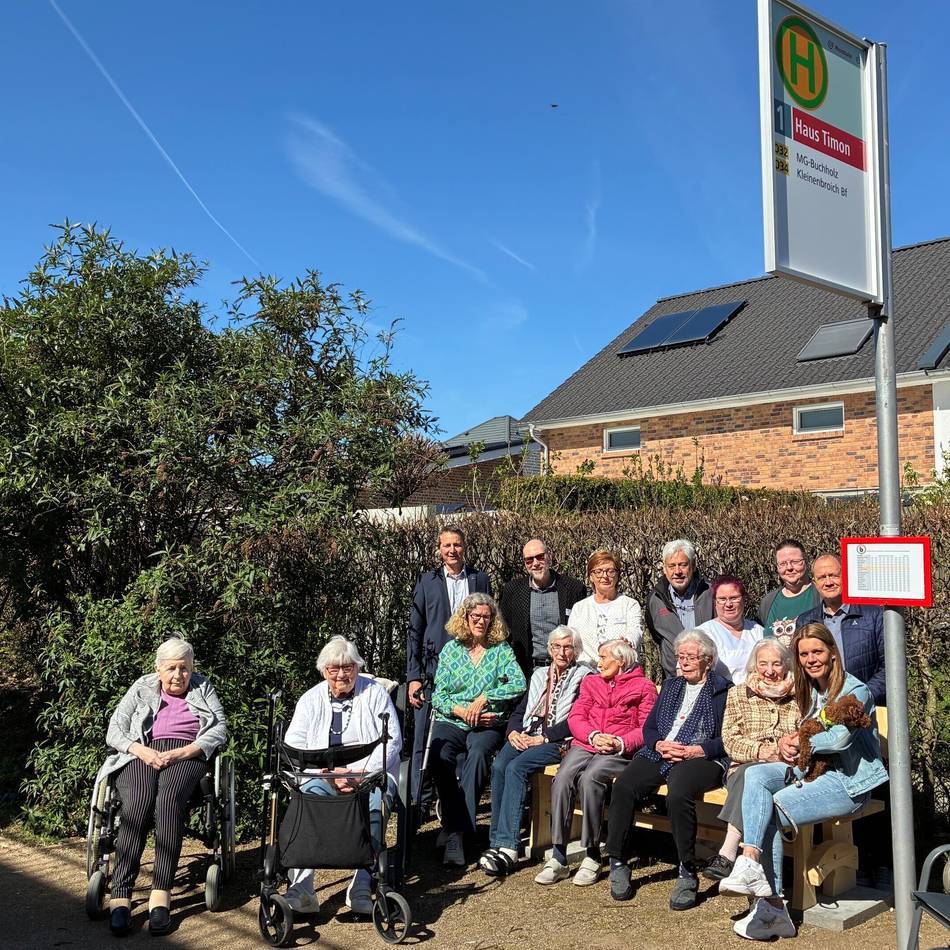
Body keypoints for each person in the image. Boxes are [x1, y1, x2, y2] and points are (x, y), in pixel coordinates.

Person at [719, 622, 887, 941]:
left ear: (832, 653)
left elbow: (838, 742)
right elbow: (802, 731)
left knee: (768, 807)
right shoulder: (810, 690)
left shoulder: (855, 690)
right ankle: (752, 862)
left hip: (847, 783)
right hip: (811, 771)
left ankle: (773, 905)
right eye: (804, 654)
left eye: (817, 652)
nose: (811, 659)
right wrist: (788, 743)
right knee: (754, 774)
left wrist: (802, 741)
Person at [96, 638, 227, 937]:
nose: (178, 675)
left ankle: (160, 897)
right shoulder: (140, 687)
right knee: (137, 806)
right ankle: (121, 897)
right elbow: (114, 730)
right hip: (142, 752)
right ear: (158, 669)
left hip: (186, 754)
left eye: (184, 668)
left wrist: (184, 752)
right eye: (171, 668)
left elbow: (219, 728)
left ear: (192, 668)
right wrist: (141, 751)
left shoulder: (202, 688)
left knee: (168, 803)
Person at [604, 629, 731, 910]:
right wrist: (659, 744)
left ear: (708, 661)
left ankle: (687, 870)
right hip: (660, 751)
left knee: (678, 793)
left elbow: (728, 737)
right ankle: (618, 861)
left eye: (691, 657)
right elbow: (649, 728)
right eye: (680, 656)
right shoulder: (671, 686)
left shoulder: (724, 690)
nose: (683, 662)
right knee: (624, 787)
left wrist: (696, 750)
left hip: (701, 757)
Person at [283, 635, 402, 917]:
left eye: (347, 667)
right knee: (306, 802)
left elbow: (392, 742)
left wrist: (359, 775)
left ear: (357, 667)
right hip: (322, 775)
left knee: (375, 806)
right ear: (324, 671)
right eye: (333, 669)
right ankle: (302, 888)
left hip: (367, 775)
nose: (341, 675)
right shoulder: (310, 698)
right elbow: (295, 743)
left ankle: (361, 885)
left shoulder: (375, 694)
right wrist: (325, 773)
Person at [535, 639, 657, 888]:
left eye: (603, 658)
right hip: (587, 742)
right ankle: (559, 855)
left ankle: (592, 853)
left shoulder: (644, 687)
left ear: (621, 660)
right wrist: (592, 735)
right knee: (564, 776)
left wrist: (619, 742)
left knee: (592, 778)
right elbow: (576, 717)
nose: (598, 663)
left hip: (619, 749)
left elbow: (646, 728)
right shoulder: (591, 682)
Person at [479, 625, 590, 877]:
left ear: (576, 650)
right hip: (526, 733)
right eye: (557, 646)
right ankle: (496, 841)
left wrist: (544, 737)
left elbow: (575, 719)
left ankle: (508, 848)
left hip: (557, 741)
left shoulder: (584, 677)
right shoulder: (540, 674)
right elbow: (520, 710)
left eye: (568, 647)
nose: (562, 652)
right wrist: (513, 732)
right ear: (550, 649)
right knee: (498, 766)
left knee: (516, 768)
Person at [429, 593, 526, 867]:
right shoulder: (451, 650)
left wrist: (484, 700)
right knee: (440, 755)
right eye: (476, 616)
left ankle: (456, 834)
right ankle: (453, 823)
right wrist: (462, 711)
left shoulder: (501, 650)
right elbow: (439, 696)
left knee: (479, 754)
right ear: (466, 618)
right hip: (454, 720)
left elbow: (518, 684)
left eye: (486, 616)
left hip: (488, 722)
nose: (481, 621)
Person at [406, 525, 492, 801]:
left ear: (464, 547)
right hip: (432, 672)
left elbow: (490, 625)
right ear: (439, 550)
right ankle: (421, 799)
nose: (452, 550)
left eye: (457, 545)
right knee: (424, 737)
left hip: (470, 672)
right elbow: (414, 630)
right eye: (447, 546)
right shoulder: (426, 582)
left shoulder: (480, 579)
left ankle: (456, 799)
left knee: (462, 736)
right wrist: (413, 676)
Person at [702, 640, 799, 883]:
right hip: (745, 765)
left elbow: (805, 733)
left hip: (784, 768)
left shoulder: (799, 695)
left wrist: (790, 748)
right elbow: (731, 742)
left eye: (776, 663)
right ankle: (744, 859)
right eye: (763, 663)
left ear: (786, 665)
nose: (770, 670)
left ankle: (728, 852)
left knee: (755, 778)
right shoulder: (738, 693)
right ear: (754, 666)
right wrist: (765, 751)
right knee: (750, 775)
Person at [795, 554, 886, 705]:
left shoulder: (873, 615)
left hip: (868, 708)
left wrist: (860, 697)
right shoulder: (805, 621)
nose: (828, 582)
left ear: (846, 576)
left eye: (834, 576)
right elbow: (801, 671)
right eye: (822, 577)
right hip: (823, 709)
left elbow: (889, 668)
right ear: (815, 583)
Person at [498, 538, 586, 676]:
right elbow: (504, 632)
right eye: (529, 560)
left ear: (549, 556)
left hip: (566, 669)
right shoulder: (513, 590)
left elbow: (581, 631)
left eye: (540, 557)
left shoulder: (573, 588)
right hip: (527, 671)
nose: (535, 563)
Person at [644, 539, 714, 679]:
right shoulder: (656, 599)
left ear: (693, 566)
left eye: (683, 565)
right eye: (672, 566)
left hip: (709, 675)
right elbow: (657, 635)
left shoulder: (710, 593)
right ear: (664, 568)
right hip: (673, 677)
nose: (677, 572)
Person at [566, 549, 643, 667]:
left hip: (621, 670)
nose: (605, 576)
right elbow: (573, 643)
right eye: (598, 571)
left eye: (610, 571)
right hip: (588, 674)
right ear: (591, 576)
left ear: (617, 575)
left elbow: (635, 631)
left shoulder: (630, 604)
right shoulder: (579, 608)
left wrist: (627, 641)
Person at [698, 575, 765, 684]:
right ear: (715, 602)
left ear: (743, 600)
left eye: (734, 598)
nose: (728, 604)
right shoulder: (703, 634)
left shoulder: (758, 631)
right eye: (722, 599)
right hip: (720, 698)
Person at [757, 539, 820, 646]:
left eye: (795, 562)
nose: (789, 567)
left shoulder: (820, 595)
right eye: (783, 563)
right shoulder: (768, 602)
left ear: (806, 561)